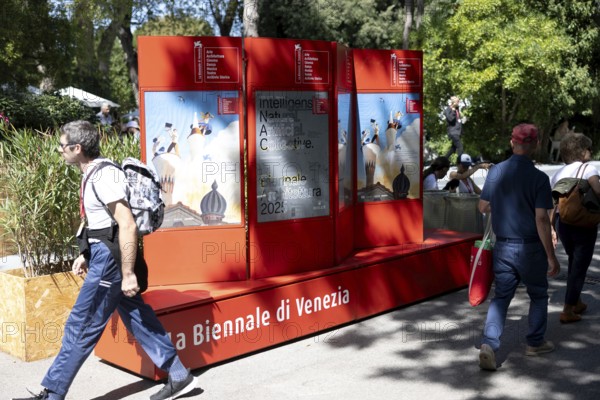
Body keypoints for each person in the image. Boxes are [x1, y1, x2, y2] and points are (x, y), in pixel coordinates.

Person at [14, 121, 197, 400]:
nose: (59, 150)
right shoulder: (92, 172)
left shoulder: (104, 176)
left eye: (62, 146)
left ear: (77, 148)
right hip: (105, 254)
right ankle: (178, 373)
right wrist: (85, 253)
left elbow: (126, 225)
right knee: (136, 315)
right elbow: (100, 222)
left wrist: (127, 273)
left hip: (111, 259)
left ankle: (52, 394)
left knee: (82, 323)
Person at [477, 123, 560, 371]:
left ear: (512, 143)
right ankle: (535, 343)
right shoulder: (539, 178)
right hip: (530, 248)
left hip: (502, 247)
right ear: (534, 145)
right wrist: (551, 256)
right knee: (537, 294)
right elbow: (542, 219)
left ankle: (489, 345)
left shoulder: (496, 172)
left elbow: (482, 206)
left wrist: (502, 207)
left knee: (501, 297)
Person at [549, 132, 600, 323]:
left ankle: (576, 301)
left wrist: (552, 228)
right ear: (580, 152)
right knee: (579, 267)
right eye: (589, 148)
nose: (591, 152)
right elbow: (597, 190)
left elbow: (553, 204)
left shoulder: (557, 174)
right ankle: (568, 310)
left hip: (565, 225)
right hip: (583, 224)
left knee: (574, 262)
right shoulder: (588, 169)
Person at [443, 96, 464, 160]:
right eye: (457, 101)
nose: (459, 102)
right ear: (454, 102)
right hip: (453, 132)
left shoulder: (457, 109)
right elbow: (451, 119)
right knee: (460, 147)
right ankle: (460, 163)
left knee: (453, 149)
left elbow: (457, 121)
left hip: (457, 132)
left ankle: (442, 160)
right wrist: (453, 111)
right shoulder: (448, 110)